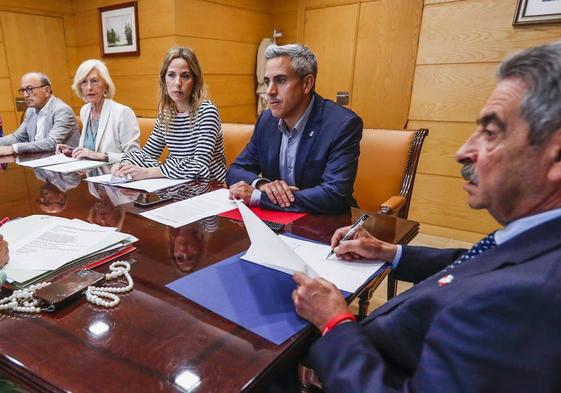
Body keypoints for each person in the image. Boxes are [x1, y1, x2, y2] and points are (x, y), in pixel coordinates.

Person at [288, 41, 561, 392]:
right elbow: (473, 265)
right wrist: (390, 252)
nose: (463, 151)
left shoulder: (527, 299)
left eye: (490, 133)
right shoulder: (537, 241)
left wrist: (335, 324)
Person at [226, 44, 362, 214]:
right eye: (267, 81)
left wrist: (259, 197)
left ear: (307, 84)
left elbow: (335, 194)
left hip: (326, 223)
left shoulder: (342, 124)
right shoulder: (266, 120)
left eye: (280, 80)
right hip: (277, 219)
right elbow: (235, 170)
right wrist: (263, 185)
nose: (269, 91)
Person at [112, 47, 226, 182]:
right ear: (164, 80)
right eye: (171, 75)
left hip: (209, 187)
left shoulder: (207, 112)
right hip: (176, 183)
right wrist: (124, 164)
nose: (177, 83)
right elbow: (147, 154)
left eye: (185, 76)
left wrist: (149, 172)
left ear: (195, 82)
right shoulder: (166, 115)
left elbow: (199, 167)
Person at [56, 59, 141, 163]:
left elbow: (135, 157)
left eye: (94, 81)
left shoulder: (122, 113)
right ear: (79, 87)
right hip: (89, 177)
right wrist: (71, 151)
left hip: (115, 177)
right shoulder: (85, 110)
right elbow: (91, 150)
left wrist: (102, 156)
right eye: (83, 82)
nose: (89, 87)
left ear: (106, 84)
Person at [0, 72, 79, 155]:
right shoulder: (30, 111)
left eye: (29, 89)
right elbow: (18, 137)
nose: (25, 95)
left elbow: (51, 143)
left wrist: (13, 149)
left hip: (63, 163)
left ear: (47, 90)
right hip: (38, 161)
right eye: (23, 90)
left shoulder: (62, 110)